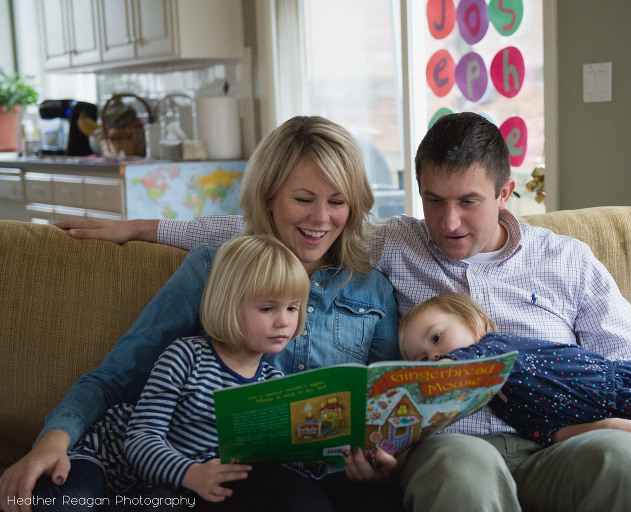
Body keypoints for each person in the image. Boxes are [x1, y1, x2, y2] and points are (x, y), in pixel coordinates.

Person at [35, 112, 631, 511]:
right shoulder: (382, 247)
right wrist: (142, 226)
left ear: (505, 193)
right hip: (441, 449)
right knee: (456, 476)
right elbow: (265, 237)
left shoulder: (557, 260)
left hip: (561, 439)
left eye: (469, 202)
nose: (449, 223)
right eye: (434, 201)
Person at [0, 116, 403, 512]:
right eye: (303, 199)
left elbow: (382, 411)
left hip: (323, 475)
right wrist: (53, 439)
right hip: (211, 473)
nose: (321, 218)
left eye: (337, 202)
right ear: (268, 197)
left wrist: (383, 459)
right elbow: (117, 376)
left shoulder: (373, 290)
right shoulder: (214, 268)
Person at [34, 234, 321, 511]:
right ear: (228, 305)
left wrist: (314, 455)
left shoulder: (273, 385)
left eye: (292, 308)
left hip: (166, 488)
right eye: (268, 308)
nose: (284, 322)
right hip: (109, 463)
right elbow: (140, 440)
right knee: (64, 503)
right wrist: (190, 473)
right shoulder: (186, 356)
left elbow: (270, 461)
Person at [399, 292, 631, 504]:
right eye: (421, 360)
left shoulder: (497, 349)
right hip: (628, 431)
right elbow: (553, 433)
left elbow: (468, 364)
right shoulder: (504, 402)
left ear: (473, 321)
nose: (434, 357)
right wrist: (608, 426)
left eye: (436, 338)